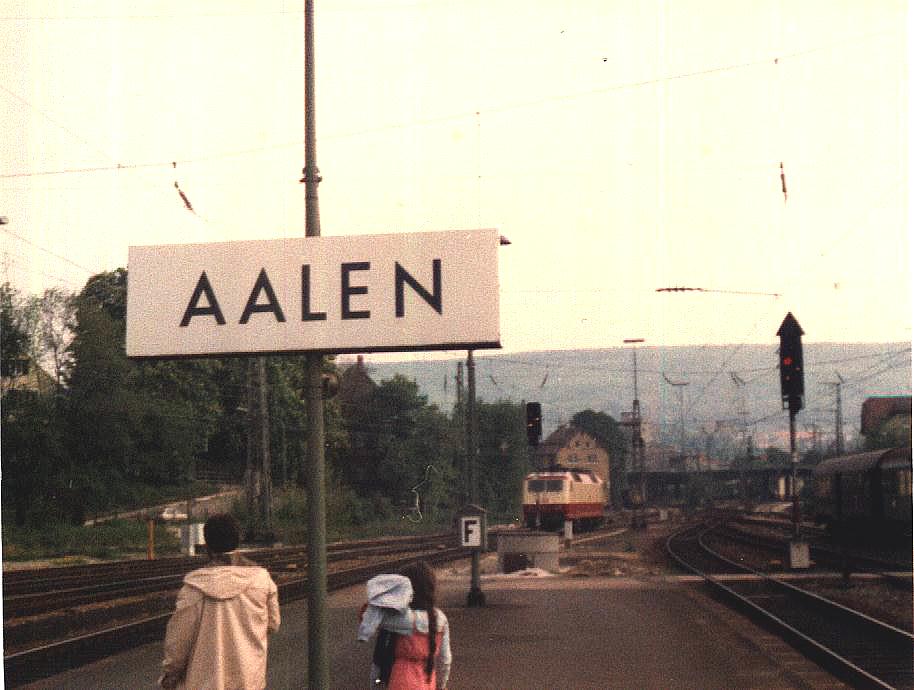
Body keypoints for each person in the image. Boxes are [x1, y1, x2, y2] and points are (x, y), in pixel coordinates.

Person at [159, 514, 280, 690]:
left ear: (207, 544)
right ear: (238, 540)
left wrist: (170, 675)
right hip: (248, 681)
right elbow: (273, 624)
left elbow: (178, 642)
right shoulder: (261, 580)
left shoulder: (193, 587)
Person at [358, 562, 451, 690]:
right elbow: (445, 660)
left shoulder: (399, 619)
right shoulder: (440, 618)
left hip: (400, 682)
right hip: (428, 682)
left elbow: (378, 661)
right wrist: (441, 685)